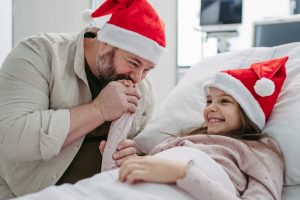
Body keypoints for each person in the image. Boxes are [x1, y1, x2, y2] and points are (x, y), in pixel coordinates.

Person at [13, 56, 288, 200]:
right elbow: (127, 175)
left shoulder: (259, 151)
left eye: (225, 101)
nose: (211, 108)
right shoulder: (181, 141)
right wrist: (123, 155)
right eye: (208, 100)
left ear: (249, 111)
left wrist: (182, 174)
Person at [0, 0, 166, 198]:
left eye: (147, 70)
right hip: (23, 193)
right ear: (105, 41)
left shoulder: (143, 91)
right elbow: (8, 138)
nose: (137, 78)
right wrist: (98, 110)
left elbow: (144, 151)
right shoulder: (38, 54)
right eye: (132, 62)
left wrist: (135, 156)